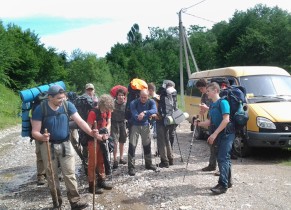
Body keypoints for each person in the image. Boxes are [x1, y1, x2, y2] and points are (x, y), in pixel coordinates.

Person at [31, 85, 98, 209]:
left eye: (63, 97)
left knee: (70, 173)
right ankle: (57, 202)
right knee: (52, 175)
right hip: (48, 145)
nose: (62, 100)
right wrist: (42, 137)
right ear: (50, 97)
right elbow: (34, 131)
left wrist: (91, 132)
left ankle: (75, 201)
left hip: (66, 143)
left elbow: (80, 122)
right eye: (58, 98)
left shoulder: (67, 105)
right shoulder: (41, 109)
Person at [195, 82, 235, 194]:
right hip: (219, 133)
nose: (206, 93)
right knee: (224, 158)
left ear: (216, 91)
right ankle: (228, 181)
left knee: (222, 158)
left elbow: (226, 120)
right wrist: (199, 124)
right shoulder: (212, 105)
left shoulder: (223, 102)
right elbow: (210, 122)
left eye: (208, 91)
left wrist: (214, 134)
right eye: (206, 91)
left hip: (227, 134)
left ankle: (223, 185)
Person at [86, 94, 114, 194]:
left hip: (103, 139)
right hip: (92, 140)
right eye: (106, 108)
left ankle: (102, 180)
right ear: (102, 104)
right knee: (93, 162)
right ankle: (91, 185)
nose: (108, 110)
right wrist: (97, 136)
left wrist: (107, 132)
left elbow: (109, 123)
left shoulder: (108, 111)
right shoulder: (93, 112)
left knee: (102, 160)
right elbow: (88, 127)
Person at [128, 89, 158, 176]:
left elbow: (154, 110)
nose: (143, 99)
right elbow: (134, 113)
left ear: (148, 96)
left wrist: (144, 112)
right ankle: (131, 167)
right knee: (132, 145)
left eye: (145, 97)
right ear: (139, 96)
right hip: (135, 125)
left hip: (145, 125)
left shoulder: (151, 102)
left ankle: (148, 164)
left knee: (147, 144)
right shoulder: (134, 102)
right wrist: (139, 116)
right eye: (142, 97)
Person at [195, 78, 217, 173]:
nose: (201, 91)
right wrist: (202, 110)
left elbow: (216, 108)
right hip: (210, 121)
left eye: (201, 89)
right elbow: (205, 108)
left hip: (216, 122)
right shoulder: (204, 95)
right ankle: (212, 165)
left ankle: (221, 169)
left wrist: (206, 108)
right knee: (211, 144)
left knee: (218, 146)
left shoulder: (212, 94)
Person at [155, 81, 176, 168]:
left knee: (161, 141)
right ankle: (170, 159)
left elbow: (157, 108)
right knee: (167, 139)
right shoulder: (174, 94)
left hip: (161, 120)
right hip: (170, 120)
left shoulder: (162, 94)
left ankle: (164, 161)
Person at [111, 88, 127, 169]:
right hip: (114, 124)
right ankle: (115, 160)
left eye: (122, 95)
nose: (121, 97)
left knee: (122, 141)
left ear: (124, 96)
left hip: (123, 124)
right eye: (119, 95)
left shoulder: (126, 104)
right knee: (115, 142)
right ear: (116, 96)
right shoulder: (112, 103)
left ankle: (121, 158)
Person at [29, 109, 46, 186]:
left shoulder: (34, 108)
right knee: (40, 155)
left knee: (41, 156)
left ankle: (42, 175)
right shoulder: (35, 108)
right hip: (39, 134)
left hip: (47, 134)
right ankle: (41, 175)